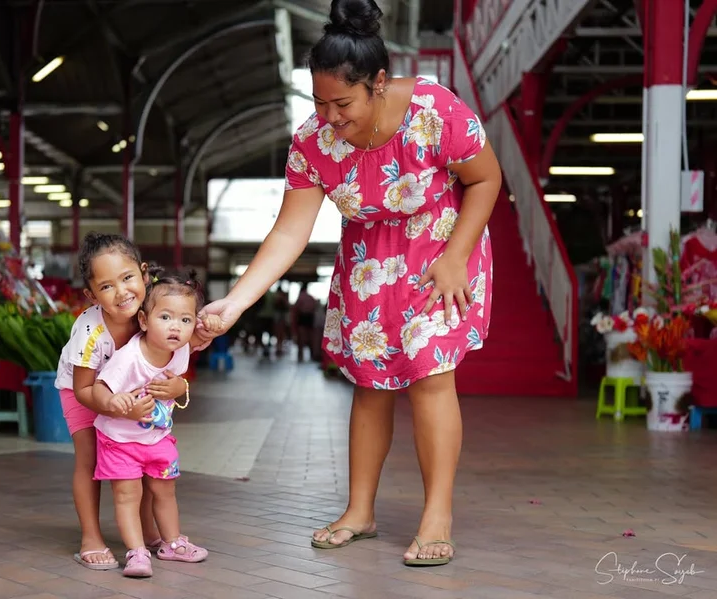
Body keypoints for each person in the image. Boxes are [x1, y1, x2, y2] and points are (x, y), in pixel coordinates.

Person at [196, 0, 501, 567]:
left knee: (431, 372)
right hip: (367, 261)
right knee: (370, 381)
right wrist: (234, 304)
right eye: (319, 101)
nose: (330, 116)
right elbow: (289, 234)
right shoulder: (314, 142)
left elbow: (486, 178)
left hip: (440, 248)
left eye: (343, 102)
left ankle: (437, 515)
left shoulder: (434, 109)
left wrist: (458, 255)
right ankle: (360, 510)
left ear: (379, 84)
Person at [55, 233, 189, 569]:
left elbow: (180, 347)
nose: (122, 292)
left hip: (131, 397)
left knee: (141, 459)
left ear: (144, 274)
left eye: (128, 278)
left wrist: (178, 387)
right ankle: (91, 537)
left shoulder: (154, 309)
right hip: (81, 390)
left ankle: (145, 533)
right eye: (107, 286)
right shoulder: (90, 333)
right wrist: (113, 405)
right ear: (91, 295)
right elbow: (85, 389)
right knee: (90, 459)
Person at [91, 272, 216, 577]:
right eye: (166, 317)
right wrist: (117, 405)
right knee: (127, 495)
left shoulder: (180, 352)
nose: (176, 327)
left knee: (165, 492)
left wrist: (178, 388)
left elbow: (176, 382)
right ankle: (136, 553)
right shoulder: (129, 358)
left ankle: (171, 543)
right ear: (145, 321)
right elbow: (99, 389)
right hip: (119, 441)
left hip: (157, 441)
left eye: (185, 320)